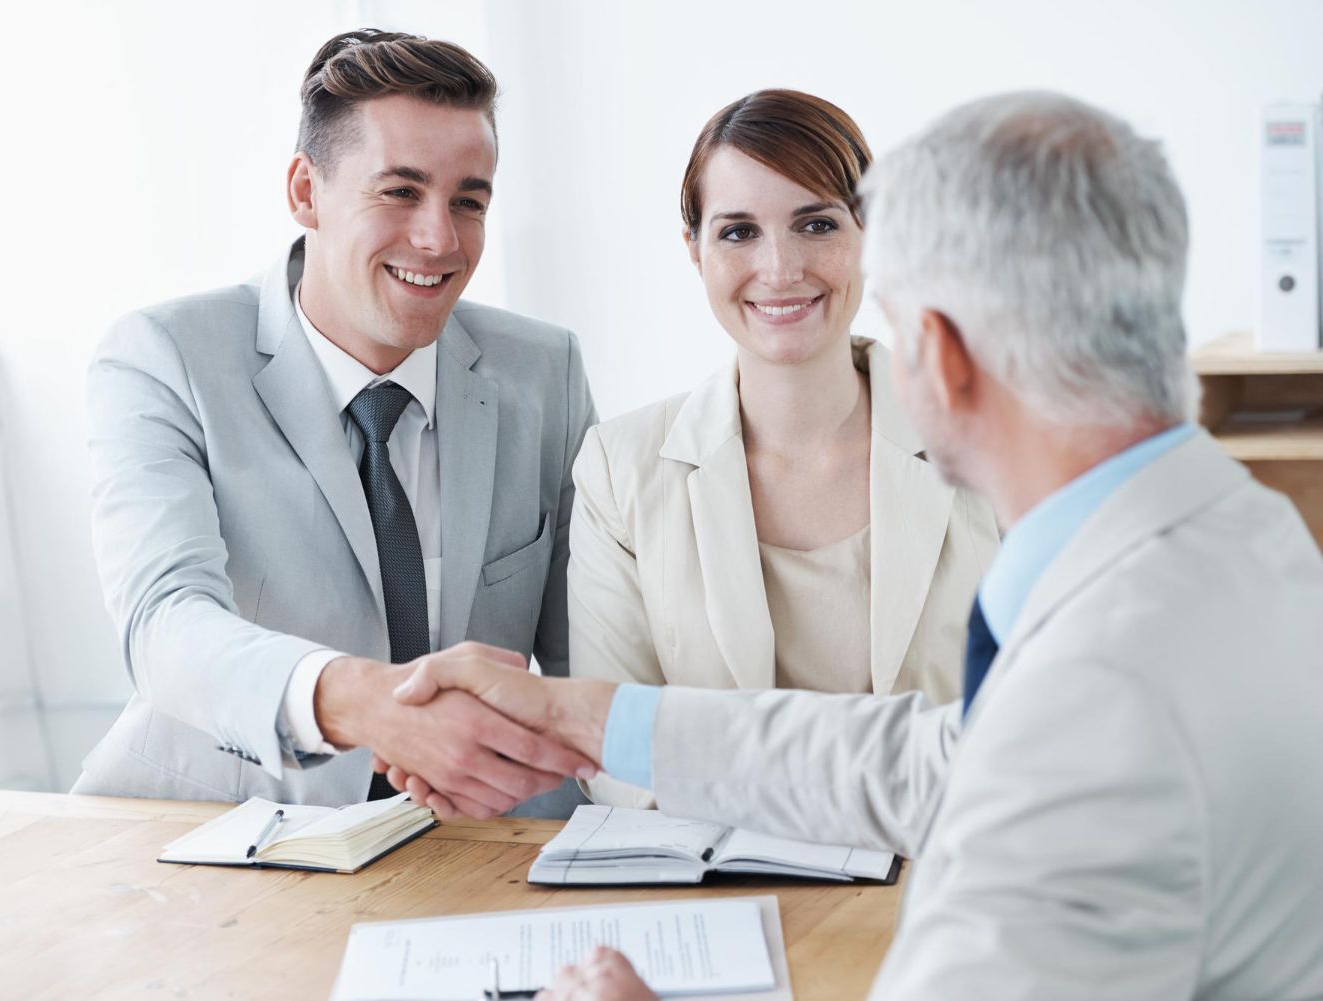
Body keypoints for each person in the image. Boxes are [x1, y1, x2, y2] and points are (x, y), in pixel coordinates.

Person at [381, 92, 1323, 999]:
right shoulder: (1255, 534)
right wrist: (581, 715)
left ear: (943, 353)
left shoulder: (1095, 697)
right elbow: (933, 757)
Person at [70, 28, 600, 820]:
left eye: (469, 201)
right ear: (305, 191)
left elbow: (582, 663)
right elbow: (165, 623)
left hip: (471, 843)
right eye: (400, 191)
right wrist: (361, 699)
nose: (440, 239)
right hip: (204, 833)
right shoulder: (161, 356)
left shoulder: (542, 372)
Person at [569, 89, 998, 809]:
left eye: (816, 223)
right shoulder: (622, 467)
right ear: (695, 251)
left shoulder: (987, 441)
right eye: (738, 232)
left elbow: (1044, 709)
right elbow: (606, 741)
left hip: (951, 873)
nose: (780, 268)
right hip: (722, 883)